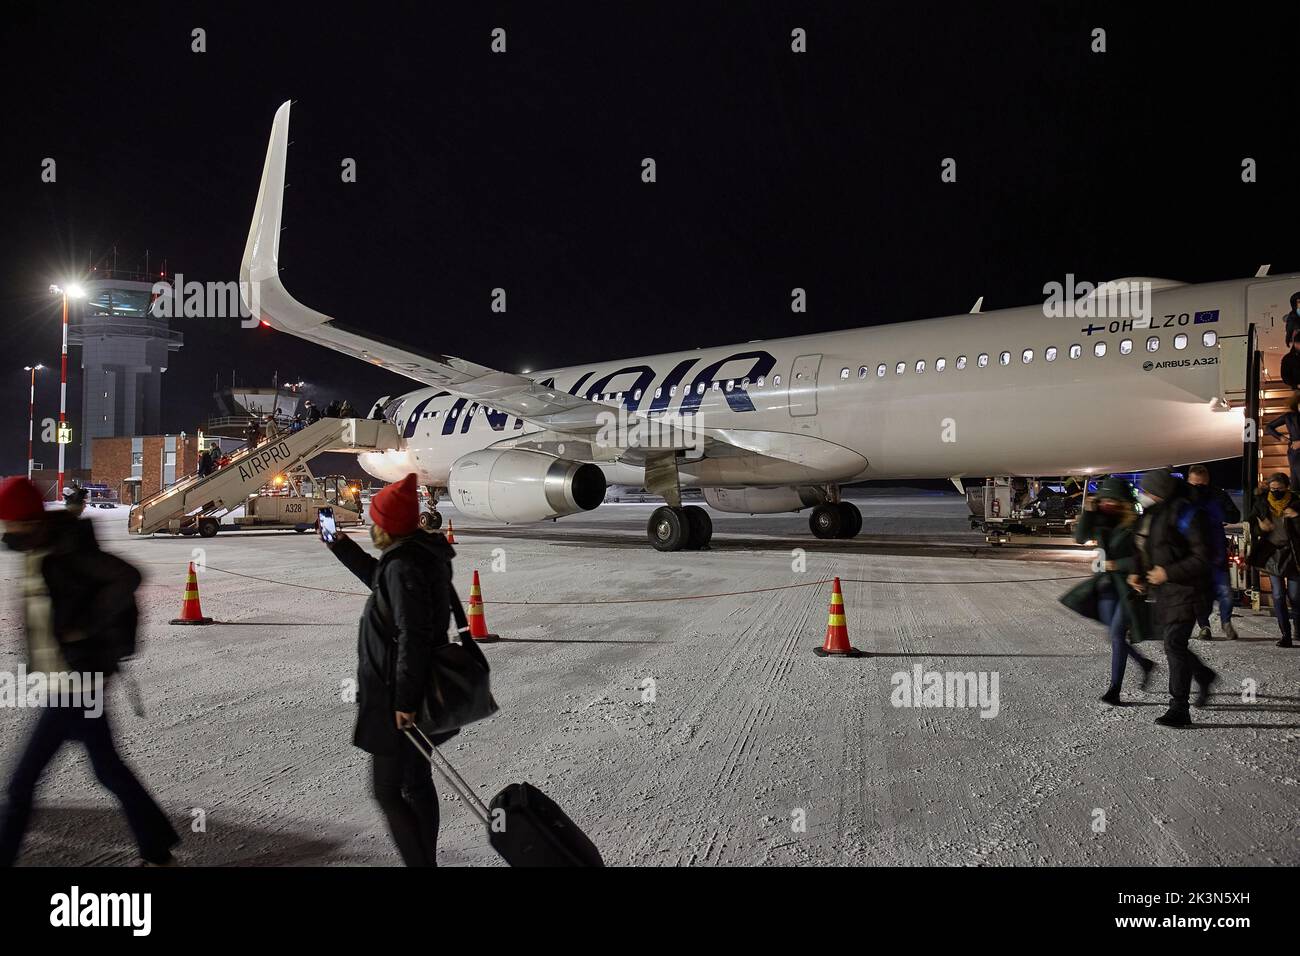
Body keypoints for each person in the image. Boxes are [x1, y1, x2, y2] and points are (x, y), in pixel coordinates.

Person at [0, 476, 179, 866]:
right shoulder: (38, 548)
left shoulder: (63, 550)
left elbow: (128, 576)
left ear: (24, 520)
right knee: (108, 769)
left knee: (22, 783)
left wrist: (84, 625)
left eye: (8, 521)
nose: (4, 529)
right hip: (68, 681)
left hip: (76, 683)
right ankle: (157, 842)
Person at [322, 473, 454, 866]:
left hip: (397, 695)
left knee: (387, 790)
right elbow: (379, 579)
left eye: (375, 517)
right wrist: (338, 543)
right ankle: (424, 861)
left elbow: (413, 635)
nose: (371, 523)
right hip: (411, 688)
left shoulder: (403, 566)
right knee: (415, 783)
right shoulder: (415, 555)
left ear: (387, 524)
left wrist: (405, 702)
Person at [1131, 468, 1219, 727]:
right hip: (1167, 590)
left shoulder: (1186, 513)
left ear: (1158, 492)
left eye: (1146, 491)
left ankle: (1179, 709)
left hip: (1190, 590)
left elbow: (1202, 558)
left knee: (1173, 644)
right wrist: (1138, 573)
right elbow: (1146, 547)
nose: (1143, 495)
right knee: (1173, 643)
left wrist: (1167, 572)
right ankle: (1203, 675)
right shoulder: (1153, 513)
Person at [1062, 476, 1155, 704]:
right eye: (1104, 500)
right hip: (1105, 586)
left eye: (1113, 500)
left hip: (1129, 587)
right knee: (1114, 637)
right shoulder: (1101, 519)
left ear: (1123, 502)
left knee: (1116, 635)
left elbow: (1146, 558)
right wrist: (1089, 512)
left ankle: (1115, 689)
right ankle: (1144, 663)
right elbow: (1080, 538)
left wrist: (1119, 565)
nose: (1107, 504)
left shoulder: (1137, 525)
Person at [1186, 464, 1240, 641]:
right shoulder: (1183, 498)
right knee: (1200, 595)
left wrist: (1219, 513)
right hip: (1193, 554)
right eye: (1194, 485)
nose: (1198, 489)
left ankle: (1226, 622)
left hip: (1216, 553)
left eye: (1202, 485)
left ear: (1208, 482)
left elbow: (1234, 515)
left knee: (1226, 593)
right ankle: (1204, 627)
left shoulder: (1217, 495)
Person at [1248, 472, 1300, 648]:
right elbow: (1251, 524)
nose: (1276, 492)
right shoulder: (1263, 503)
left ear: (1287, 488)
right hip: (1272, 553)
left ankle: (1298, 629)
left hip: (1293, 554)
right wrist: (1261, 528)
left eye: (1279, 489)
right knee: (1278, 595)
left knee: (1295, 595)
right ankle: (1285, 634)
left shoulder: (1296, 502)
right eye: (1272, 489)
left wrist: (1296, 516)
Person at [1264, 393, 1300, 488]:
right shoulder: (1289, 416)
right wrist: (1280, 437)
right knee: (1295, 480)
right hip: (1295, 453)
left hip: (1296, 450)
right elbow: (1268, 427)